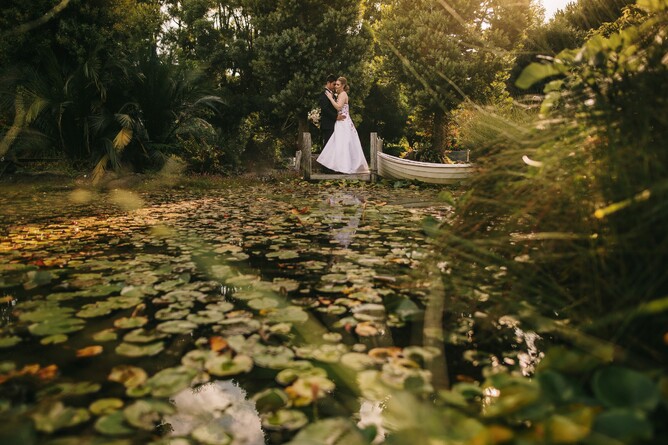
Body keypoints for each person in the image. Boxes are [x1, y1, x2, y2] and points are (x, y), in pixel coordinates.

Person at [316, 77, 369, 174]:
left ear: (343, 85)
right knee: (339, 144)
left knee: (343, 143)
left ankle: (345, 166)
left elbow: (339, 107)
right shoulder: (339, 94)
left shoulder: (343, 94)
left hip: (343, 121)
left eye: (338, 84)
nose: (336, 86)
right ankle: (338, 166)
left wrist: (331, 98)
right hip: (340, 121)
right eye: (335, 84)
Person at [319, 74, 339, 147]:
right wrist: (336, 117)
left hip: (333, 124)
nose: (335, 86)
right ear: (328, 83)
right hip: (327, 124)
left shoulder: (333, 94)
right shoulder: (323, 94)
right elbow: (325, 109)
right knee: (327, 146)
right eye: (334, 84)